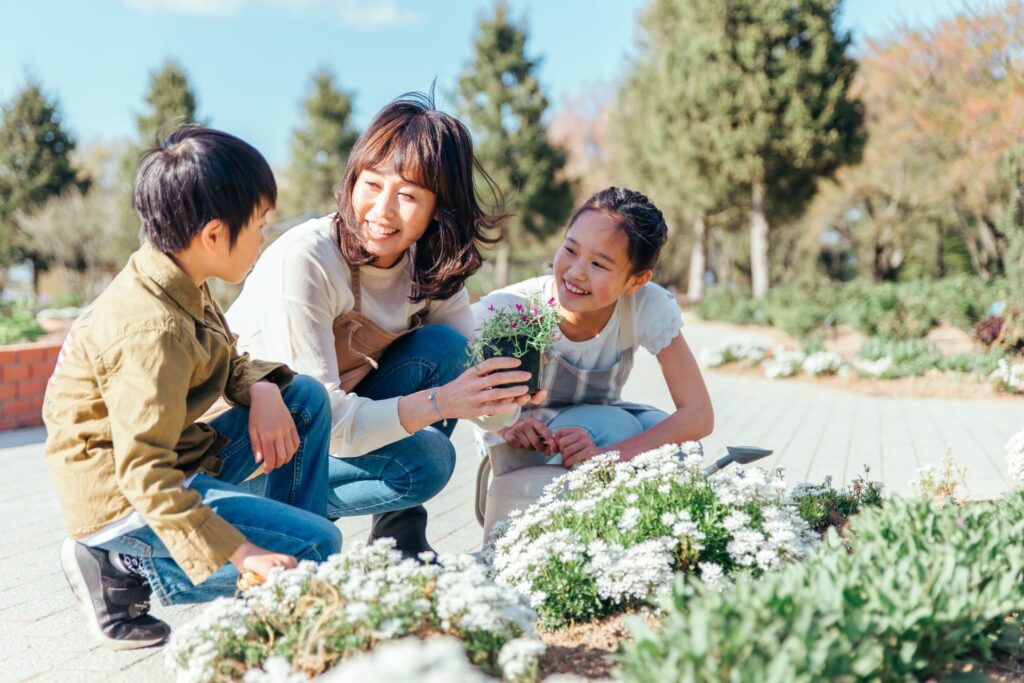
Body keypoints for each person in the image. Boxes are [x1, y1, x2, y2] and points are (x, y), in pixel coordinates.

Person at [43, 126, 341, 650]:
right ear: (212, 234)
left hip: (173, 461)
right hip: (125, 499)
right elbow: (143, 474)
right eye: (260, 226)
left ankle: (286, 590)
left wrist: (265, 390)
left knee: (305, 402)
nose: (264, 239)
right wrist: (244, 554)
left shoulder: (182, 276)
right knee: (320, 546)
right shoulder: (150, 330)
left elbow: (225, 360)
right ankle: (119, 565)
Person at [226, 93, 535, 559]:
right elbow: (325, 418)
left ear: (439, 208)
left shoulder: (431, 267)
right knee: (427, 461)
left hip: (329, 435)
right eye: (372, 184)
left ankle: (397, 536)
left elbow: (471, 385)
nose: (382, 210)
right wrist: (439, 402)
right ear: (352, 180)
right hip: (250, 455)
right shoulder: (307, 259)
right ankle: (274, 522)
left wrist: (505, 400)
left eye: (408, 195)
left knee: (445, 349)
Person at [475, 187, 714, 469]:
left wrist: (610, 457)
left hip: (598, 426)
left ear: (636, 281)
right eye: (570, 249)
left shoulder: (645, 304)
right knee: (615, 428)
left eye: (599, 264)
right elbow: (450, 370)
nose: (576, 272)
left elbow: (698, 415)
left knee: (682, 448)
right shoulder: (515, 306)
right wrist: (506, 426)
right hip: (526, 437)